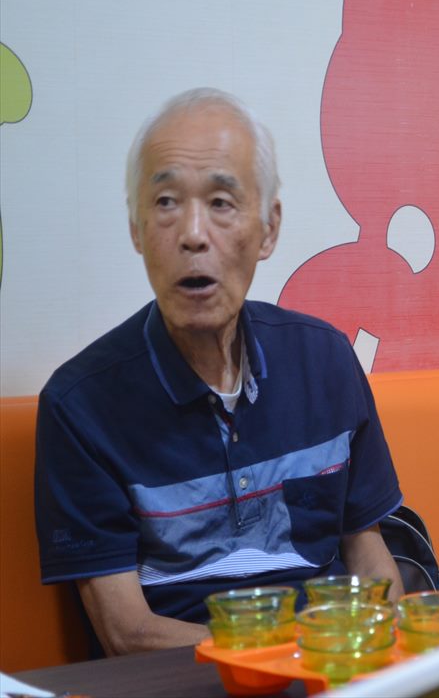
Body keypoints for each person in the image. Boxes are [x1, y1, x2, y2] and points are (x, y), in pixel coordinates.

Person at [34, 88, 405, 656]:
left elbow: (370, 561)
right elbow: (126, 633)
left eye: (221, 202)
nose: (193, 234)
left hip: (333, 671)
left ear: (269, 229)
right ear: (136, 229)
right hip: (188, 681)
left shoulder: (326, 360)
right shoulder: (80, 407)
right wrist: (287, 657)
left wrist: (380, 653)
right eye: (165, 202)